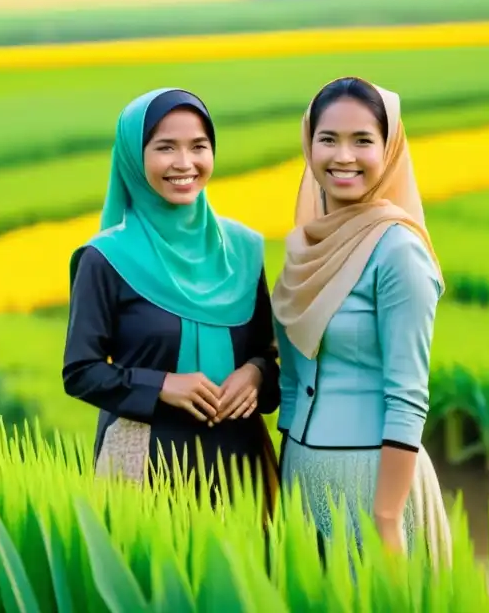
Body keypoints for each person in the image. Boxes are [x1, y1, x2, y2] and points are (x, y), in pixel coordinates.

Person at [62, 87, 280, 511]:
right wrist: (162, 384)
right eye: (165, 148)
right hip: (144, 462)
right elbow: (81, 371)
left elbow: (267, 354)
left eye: (199, 146)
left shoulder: (242, 250)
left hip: (240, 465)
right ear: (133, 157)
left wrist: (255, 374)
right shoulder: (106, 259)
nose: (185, 163)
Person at [271, 76, 452, 566]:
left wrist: (388, 517)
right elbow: (292, 382)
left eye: (363, 140)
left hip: (374, 484)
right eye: (328, 139)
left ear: (389, 148)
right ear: (309, 144)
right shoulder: (304, 247)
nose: (343, 156)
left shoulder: (398, 252)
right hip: (301, 478)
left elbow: (408, 395)